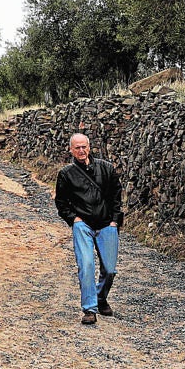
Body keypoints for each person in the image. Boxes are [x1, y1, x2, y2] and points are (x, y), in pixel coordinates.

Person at [55, 132, 123, 325]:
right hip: (82, 225)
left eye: (84, 146)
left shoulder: (107, 168)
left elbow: (116, 197)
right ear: (71, 150)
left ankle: (101, 297)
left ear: (89, 147)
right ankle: (90, 309)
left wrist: (115, 221)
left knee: (109, 269)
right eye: (77, 147)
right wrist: (74, 219)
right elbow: (61, 202)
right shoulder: (66, 174)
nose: (81, 150)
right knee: (86, 265)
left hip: (106, 223)